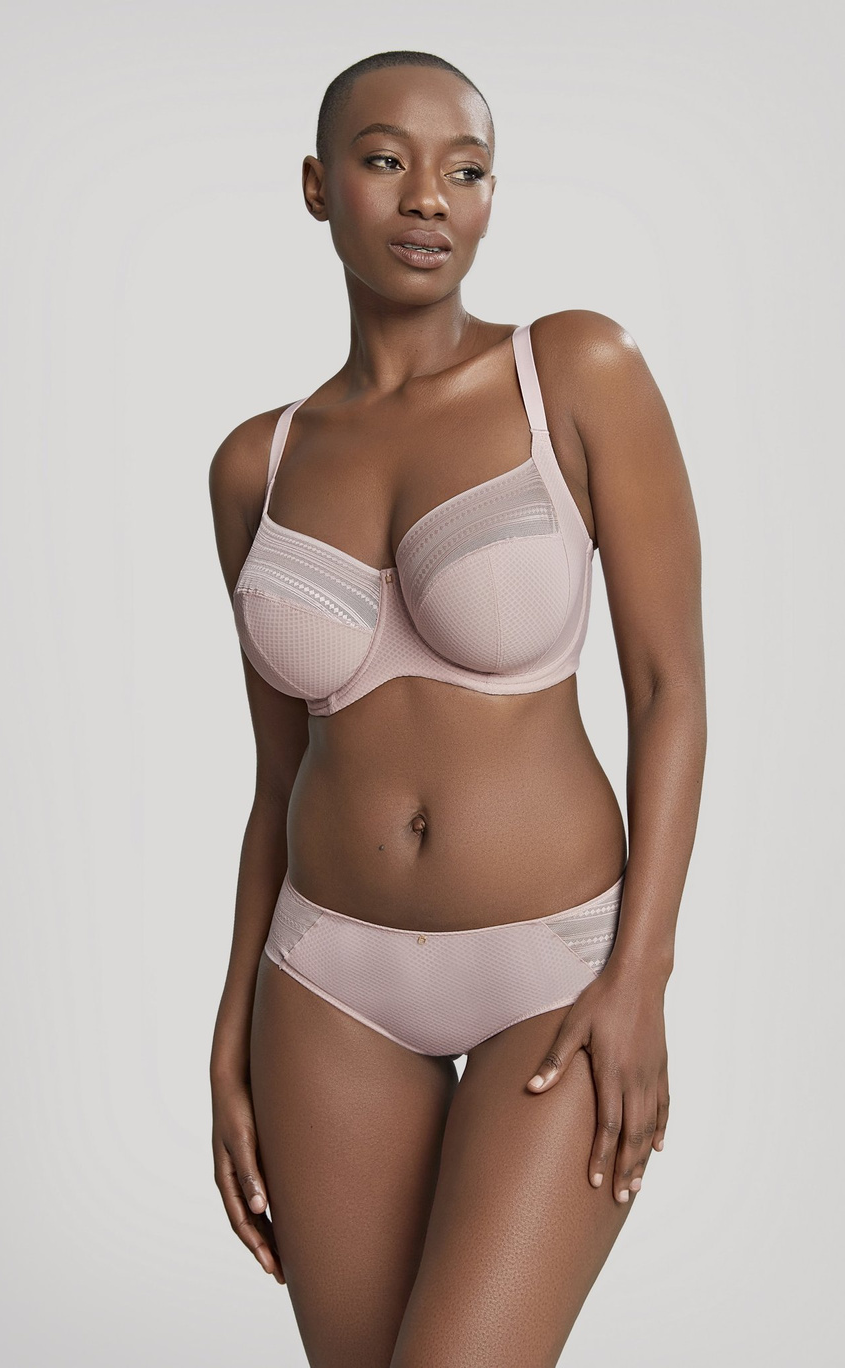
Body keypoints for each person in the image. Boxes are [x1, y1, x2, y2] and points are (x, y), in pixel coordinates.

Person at [207, 49, 706, 1368]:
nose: (429, 196)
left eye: (467, 169)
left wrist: (642, 978)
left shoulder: (575, 371)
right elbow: (277, 779)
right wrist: (230, 1033)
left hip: (557, 970)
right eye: (386, 160)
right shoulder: (257, 463)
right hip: (325, 982)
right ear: (319, 186)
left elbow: (669, 688)